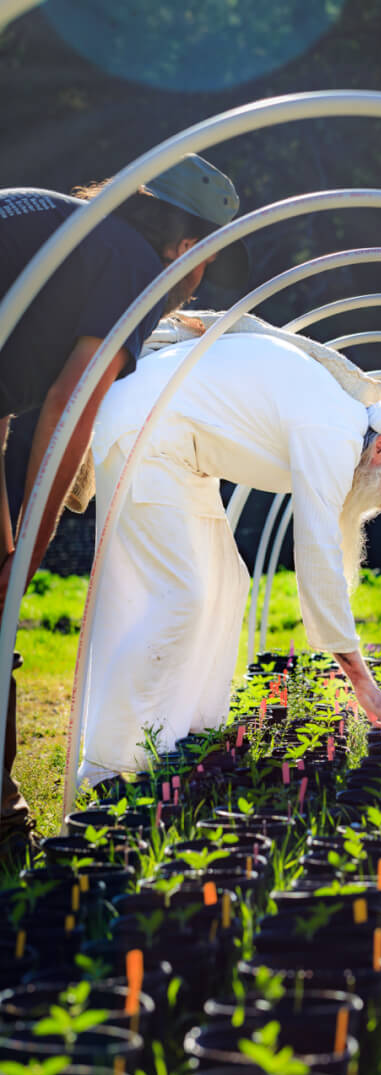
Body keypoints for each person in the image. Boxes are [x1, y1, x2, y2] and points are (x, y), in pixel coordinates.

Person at [0, 154, 248, 855]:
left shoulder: (69, 229)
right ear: (189, 251)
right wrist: (32, 552)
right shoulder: (134, 265)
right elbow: (72, 404)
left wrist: (8, 541)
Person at [77, 329, 381, 786]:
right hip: (146, 433)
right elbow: (316, 552)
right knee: (181, 597)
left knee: (230, 583)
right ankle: (105, 765)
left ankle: (189, 733)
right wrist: (361, 682)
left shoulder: (339, 425)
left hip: (177, 447)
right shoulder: (334, 432)